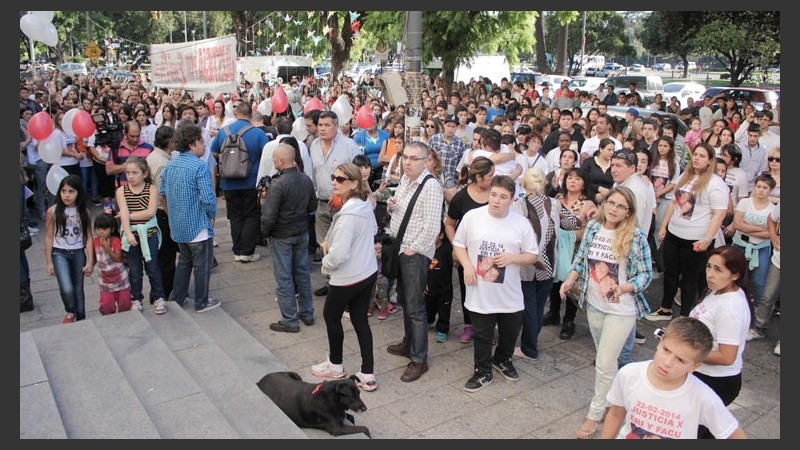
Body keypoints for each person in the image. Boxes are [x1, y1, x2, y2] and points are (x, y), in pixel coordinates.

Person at [559, 186, 653, 439]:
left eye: (621, 206)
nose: (614, 209)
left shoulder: (635, 236)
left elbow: (646, 275)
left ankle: (595, 414)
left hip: (621, 310)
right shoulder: (592, 228)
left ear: (628, 212)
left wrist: (623, 288)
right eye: (611, 203)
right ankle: (616, 402)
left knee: (603, 363)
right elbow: (580, 259)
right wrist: (569, 280)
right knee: (606, 360)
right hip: (595, 305)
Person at [453, 175, 538, 392]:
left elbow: (532, 255)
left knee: (510, 332)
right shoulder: (473, 217)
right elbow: (459, 244)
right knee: (482, 334)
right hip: (480, 290)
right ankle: (482, 371)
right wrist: (467, 266)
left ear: (512, 199)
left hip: (510, 292)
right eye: (493, 194)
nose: (496, 200)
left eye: (503, 197)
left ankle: (502, 359)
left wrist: (512, 258)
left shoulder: (521, 223)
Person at [601, 317, 747, 439]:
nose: (667, 362)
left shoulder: (702, 397)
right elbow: (615, 415)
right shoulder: (629, 374)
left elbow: (735, 435)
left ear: (694, 367)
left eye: (681, 360)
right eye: (666, 350)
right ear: (660, 340)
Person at [311, 163, 380, 392]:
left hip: (348, 277)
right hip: (366, 272)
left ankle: (335, 364)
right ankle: (367, 373)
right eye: (333, 177)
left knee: (331, 316)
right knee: (360, 320)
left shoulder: (349, 215)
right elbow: (373, 231)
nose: (334, 182)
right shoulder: (364, 206)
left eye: (340, 179)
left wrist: (326, 264)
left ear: (353, 183)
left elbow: (339, 254)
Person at [647, 143, 729, 321]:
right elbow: (673, 204)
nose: (697, 158)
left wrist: (707, 239)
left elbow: (719, 214)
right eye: (695, 154)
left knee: (689, 279)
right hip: (674, 234)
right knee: (670, 274)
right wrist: (664, 227)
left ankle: (684, 316)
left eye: (702, 156)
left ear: (710, 161)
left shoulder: (716, 184)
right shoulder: (686, 175)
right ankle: (665, 309)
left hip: (696, 240)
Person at [385, 141, 444, 383]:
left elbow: (432, 227)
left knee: (416, 307)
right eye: (405, 157)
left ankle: (419, 359)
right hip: (401, 248)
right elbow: (404, 212)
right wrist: (393, 207)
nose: (407, 162)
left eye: (413, 158)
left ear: (425, 161)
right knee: (406, 302)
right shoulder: (406, 181)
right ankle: (409, 344)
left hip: (414, 254)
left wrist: (412, 250)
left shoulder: (431, 187)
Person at [513, 168, 579, 360]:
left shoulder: (519, 206)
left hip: (527, 265)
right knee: (539, 305)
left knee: (529, 307)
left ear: (524, 185)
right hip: (549, 263)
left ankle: (529, 348)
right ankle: (530, 345)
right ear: (544, 184)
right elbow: (573, 223)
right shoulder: (555, 204)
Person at [688, 245, 751, 439]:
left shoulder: (731, 308)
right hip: (702, 375)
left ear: (735, 275)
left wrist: (686, 354)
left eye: (718, 270)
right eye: (709, 266)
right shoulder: (717, 290)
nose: (710, 274)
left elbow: (727, 356)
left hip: (716, 381)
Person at [159, 121, 221, 313]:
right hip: (197, 226)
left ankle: (178, 297)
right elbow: (208, 197)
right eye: (201, 141)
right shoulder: (199, 167)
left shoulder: (170, 166)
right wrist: (212, 215)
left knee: (184, 262)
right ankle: (201, 301)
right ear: (192, 144)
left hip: (178, 226)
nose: (204, 145)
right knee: (201, 265)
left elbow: (162, 194)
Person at [261, 143, 317, 333]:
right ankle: (307, 313)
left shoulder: (278, 185)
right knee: (302, 273)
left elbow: (269, 216)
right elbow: (312, 206)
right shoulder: (305, 180)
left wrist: (265, 233)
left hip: (282, 235)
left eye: (275, 159)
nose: (273, 162)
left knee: (284, 277)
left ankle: (290, 320)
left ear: (281, 160)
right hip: (301, 232)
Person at [309, 111, 362, 297]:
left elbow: (358, 174)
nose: (322, 128)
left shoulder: (348, 145)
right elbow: (314, 174)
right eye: (320, 125)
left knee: (343, 245)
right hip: (322, 203)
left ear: (336, 126)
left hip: (343, 205)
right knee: (325, 244)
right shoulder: (314, 145)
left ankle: (346, 285)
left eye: (326, 125)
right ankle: (330, 282)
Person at [210, 101, 269, 262]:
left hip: (228, 183)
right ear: (250, 115)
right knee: (251, 215)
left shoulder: (223, 132)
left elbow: (213, 152)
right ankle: (247, 252)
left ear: (236, 114)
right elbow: (267, 154)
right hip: (250, 181)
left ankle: (237, 250)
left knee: (235, 216)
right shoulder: (257, 134)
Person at [445, 156, 495, 344]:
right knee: (468, 287)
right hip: (467, 252)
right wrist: (456, 245)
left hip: (490, 251)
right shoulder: (461, 197)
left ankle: (488, 327)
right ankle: (469, 324)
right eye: (490, 175)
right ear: (479, 177)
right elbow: (450, 224)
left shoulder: (495, 194)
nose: (493, 178)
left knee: (490, 289)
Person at [116, 156, 166, 314]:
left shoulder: (151, 189)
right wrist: (128, 232)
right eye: (128, 173)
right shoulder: (121, 190)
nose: (130, 176)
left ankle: (159, 297)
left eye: (134, 173)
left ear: (144, 173)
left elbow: (151, 212)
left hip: (149, 234)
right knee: (135, 270)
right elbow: (123, 209)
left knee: (153, 267)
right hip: (131, 235)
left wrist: (127, 216)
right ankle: (136, 298)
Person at [45, 175, 95, 323]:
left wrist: (90, 261)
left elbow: (88, 237)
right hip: (60, 252)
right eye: (63, 191)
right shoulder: (53, 211)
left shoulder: (84, 212)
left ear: (78, 193)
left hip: (79, 252)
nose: (67, 195)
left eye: (71, 191)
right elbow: (48, 237)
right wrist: (49, 262)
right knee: (67, 288)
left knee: (79, 289)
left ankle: (80, 317)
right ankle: (70, 311)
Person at [730, 173, 775, 307]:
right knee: (736, 277)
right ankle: (734, 304)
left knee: (758, 282)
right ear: (754, 187)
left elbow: (770, 234)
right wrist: (760, 228)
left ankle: (757, 310)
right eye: (758, 186)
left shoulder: (773, 209)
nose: (761, 190)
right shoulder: (745, 202)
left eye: (765, 187)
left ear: (770, 190)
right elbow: (737, 224)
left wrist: (747, 227)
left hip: (761, 247)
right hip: (740, 244)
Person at [745, 204, 780, 353]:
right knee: (767, 296)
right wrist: (773, 236)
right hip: (778, 260)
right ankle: (758, 329)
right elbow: (771, 219)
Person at [92, 212, 132, 315]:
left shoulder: (116, 240)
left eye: (104, 229)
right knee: (106, 305)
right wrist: (90, 266)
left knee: (125, 304)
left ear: (112, 229)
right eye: (98, 229)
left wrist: (107, 247)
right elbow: (94, 257)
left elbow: (118, 258)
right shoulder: (95, 241)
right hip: (105, 281)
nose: (100, 232)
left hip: (121, 279)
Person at [425, 223, 454, 343]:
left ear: (441, 235)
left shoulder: (447, 249)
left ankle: (442, 330)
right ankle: (429, 321)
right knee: (429, 308)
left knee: (444, 310)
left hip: (444, 288)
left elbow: (455, 262)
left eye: (434, 234)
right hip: (429, 287)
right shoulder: (426, 249)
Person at [367, 234, 396, 320]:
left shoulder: (386, 254)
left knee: (383, 295)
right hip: (372, 279)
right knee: (371, 294)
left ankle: (383, 310)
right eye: (375, 243)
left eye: (381, 243)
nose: (378, 246)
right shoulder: (370, 253)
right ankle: (370, 307)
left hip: (383, 279)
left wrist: (379, 255)